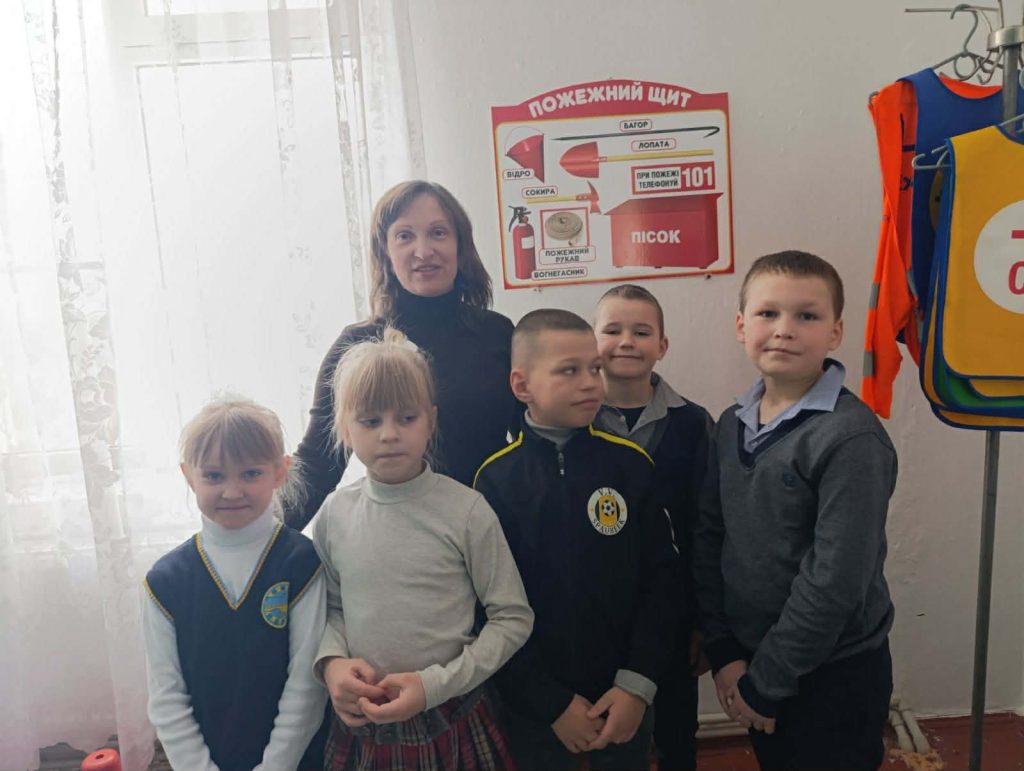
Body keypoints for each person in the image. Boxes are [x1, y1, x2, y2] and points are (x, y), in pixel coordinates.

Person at [693, 251, 897, 771]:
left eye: (807, 315)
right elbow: (711, 536)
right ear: (742, 325)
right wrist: (724, 650)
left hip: (833, 674)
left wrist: (768, 681)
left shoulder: (850, 437)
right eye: (768, 313)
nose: (784, 329)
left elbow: (836, 578)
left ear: (835, 332)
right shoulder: (731, 424)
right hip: (751, 660)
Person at [312, 328, 533, 771]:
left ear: (431, 421)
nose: (389, 434)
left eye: (406, 418)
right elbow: (331, 609)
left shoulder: (467, 510)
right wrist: (332, 664)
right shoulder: (334, 514)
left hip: (455, 716)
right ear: (345, 429)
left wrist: (434, 685)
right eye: (370, 421)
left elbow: (513, 618)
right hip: (364, 727)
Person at [473, 309, 679, 771]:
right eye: (569, 371)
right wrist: (549, 703)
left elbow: (662, 582)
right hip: (535, 710)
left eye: (594, 369)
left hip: (623, 698)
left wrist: (636, 684)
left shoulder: (630, 465)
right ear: (522, 385)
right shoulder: (494, 481)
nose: (590, 383)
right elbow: (487, 606)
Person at [285, 180, 519, 530]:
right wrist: (257, 541)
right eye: (405, 236)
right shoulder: (356, 346)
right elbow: (318, 465)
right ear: (385, 251)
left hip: (492, 530)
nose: (423, 251)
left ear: (460, 245)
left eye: (438, 233)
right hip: (399, 537)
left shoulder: (498, 334)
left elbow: (533, 447)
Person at [143, 398, 327, 771]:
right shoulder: (164, 582)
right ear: (188, 475)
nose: (232, 491)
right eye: (214, 476)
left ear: (280, 472)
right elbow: (166, 698)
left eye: (250, 473)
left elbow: (306, 686)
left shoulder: (302, 563)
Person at [592, 284, 713, 771]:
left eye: (641, 332)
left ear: (662, 345)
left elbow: (706, 525)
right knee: (610, 740)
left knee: (677, 733)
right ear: (592, 341)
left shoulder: (694, 423)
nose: (626, 341)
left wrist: (705, 620)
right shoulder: (574, 423)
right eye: (612, 330)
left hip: (675, 612)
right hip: (599, 616)